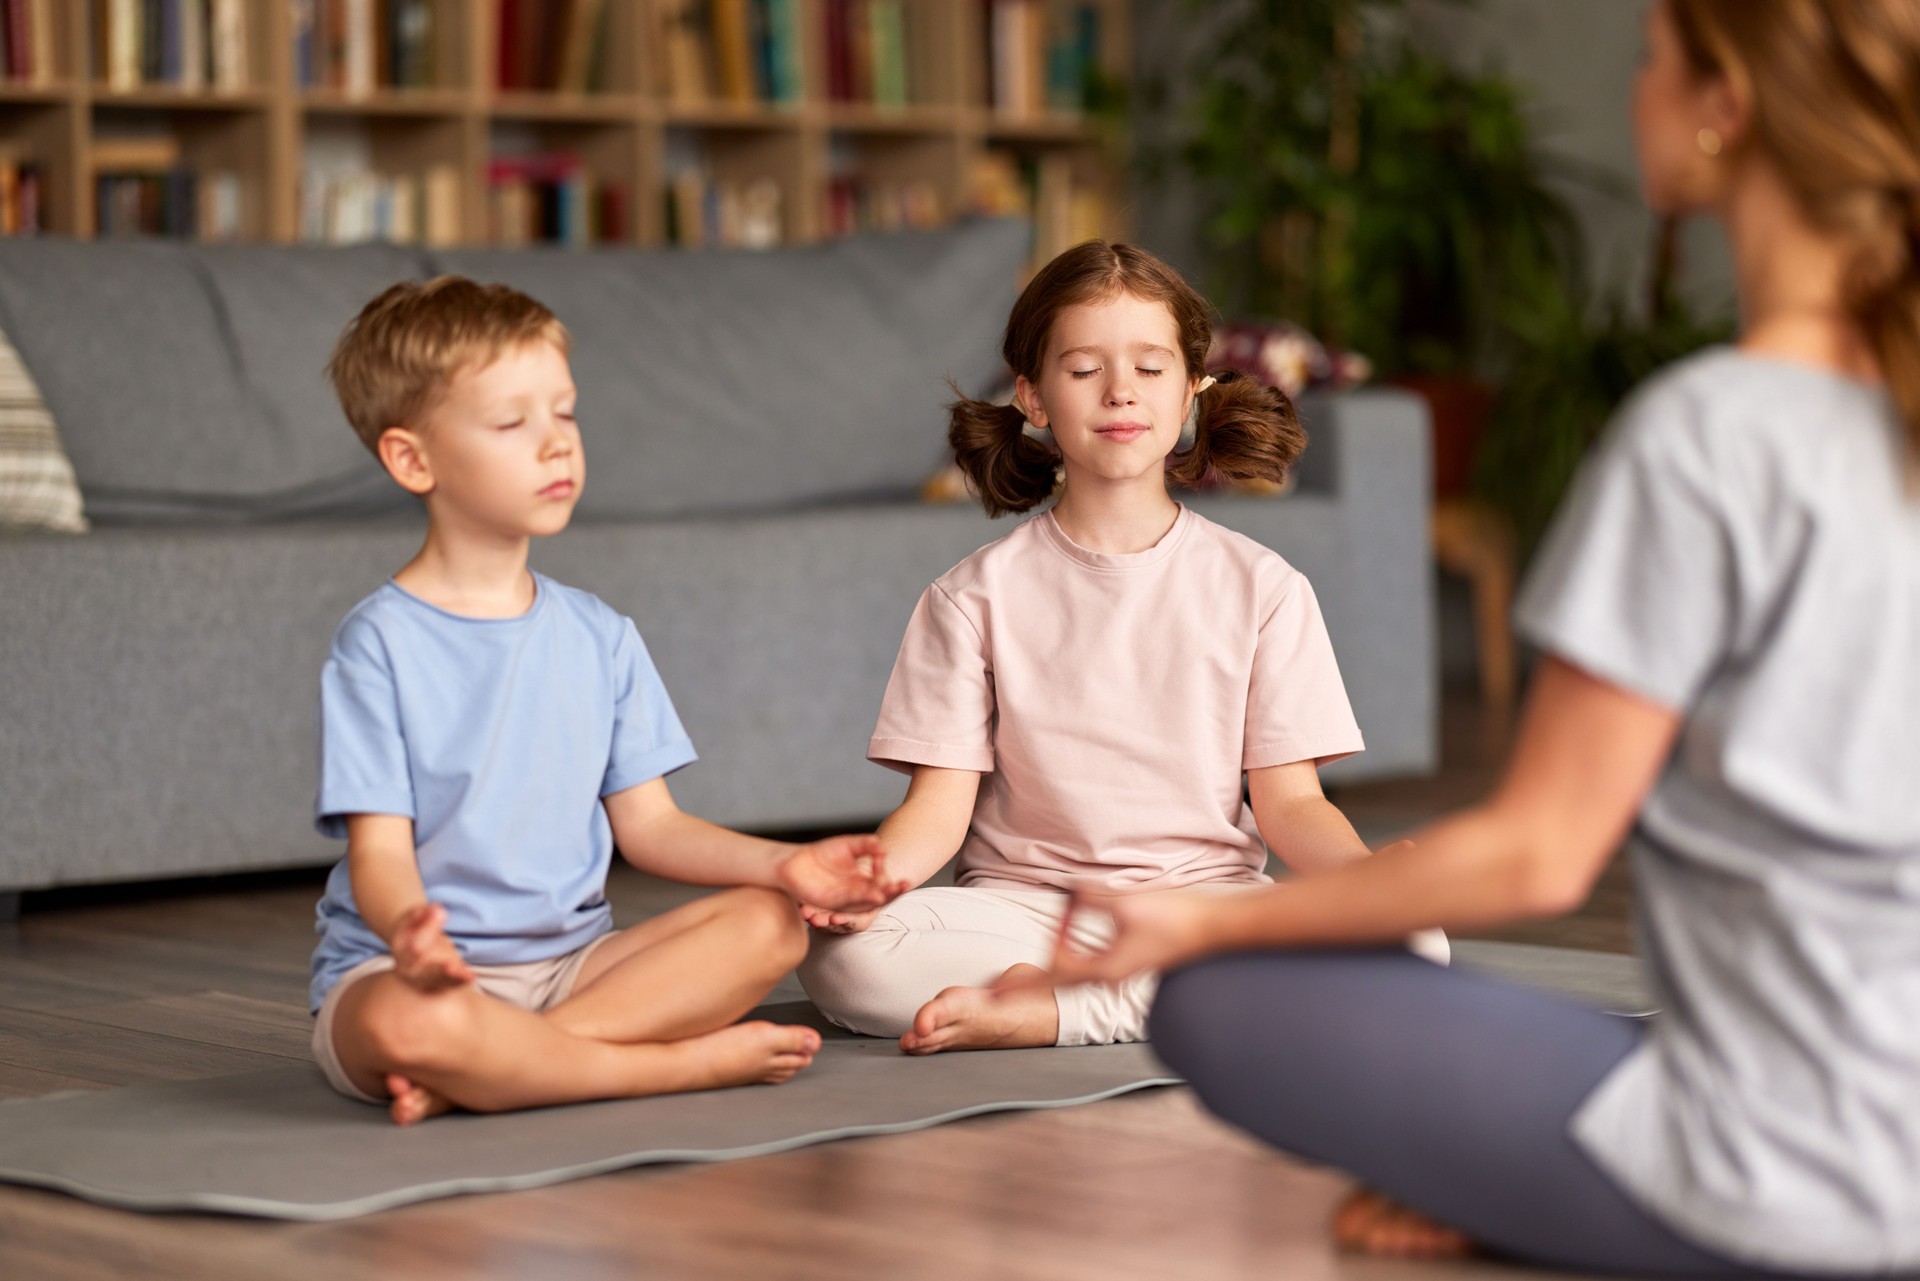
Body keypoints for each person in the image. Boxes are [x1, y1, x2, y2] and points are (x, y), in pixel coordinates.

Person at [1016, 1, 1920, 1274]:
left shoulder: (1715, 432)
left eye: (1656, 63)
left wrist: (1200, 926)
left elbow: (1542, 855)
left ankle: (1561, 1201)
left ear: (1727, 110)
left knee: (1220, 1000)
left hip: (1793, 1178)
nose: (1638, 94)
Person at [797, 241, 1447, 1056]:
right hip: (1025, 916)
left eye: (1149, 367)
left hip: (1204, 908)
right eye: (1083, 370)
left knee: (1418, 937)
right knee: (845, 959)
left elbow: (1294, 805)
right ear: (1032, 397)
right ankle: (1145, 998)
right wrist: (868, 885)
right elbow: (936, 811)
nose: (1119, 393)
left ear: (1190, 394)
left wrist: (1368, 881)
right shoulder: (968, 597)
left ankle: (1060, 1012)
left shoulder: (1266, 587)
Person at [309, 277, 905, 1126]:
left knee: (772, 926)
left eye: (566, 413)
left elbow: (653, 828)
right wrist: (409, 930)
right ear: (413, 459)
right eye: (514, 423)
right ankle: (663, 1068)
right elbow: (379, 853)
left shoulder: (600, 634)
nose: (556, 445)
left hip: (572, 967)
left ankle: (512, 1065)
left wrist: (787, 864)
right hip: (407, 976)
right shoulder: (378, 643)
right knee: (414, 1022)